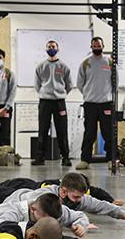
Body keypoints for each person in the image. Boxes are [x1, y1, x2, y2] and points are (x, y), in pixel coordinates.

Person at [75, 37, 115, 170]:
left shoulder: (109, 62)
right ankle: (85, 160)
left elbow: (116, 82)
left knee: (108, 133)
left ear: (103, 46)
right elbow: (80, 83)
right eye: (94, 45)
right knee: (89, 133)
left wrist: (108, 95)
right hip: (90, 104)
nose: (97, 47)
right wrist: (88, 94)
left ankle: (112, 159)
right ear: (91, 46)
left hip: (106, 103)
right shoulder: (86, 63)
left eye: (99, 45)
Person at [33, 40, 73, 166]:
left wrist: (61, 94)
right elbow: (37, 85)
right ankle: (40, 157)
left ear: (58, 49)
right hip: (45, 101)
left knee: (62, 130)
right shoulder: (40, 66)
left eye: (53, 47)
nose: (51, 48)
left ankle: (65, 157)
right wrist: (45, 93)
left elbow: (69, 85)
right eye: (49, 47)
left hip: (59, 102)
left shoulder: (63, 66)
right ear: (46, 49)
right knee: (43, 129)